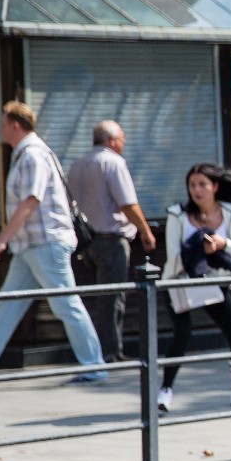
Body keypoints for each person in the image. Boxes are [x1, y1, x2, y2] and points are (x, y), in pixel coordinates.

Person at [0, 102, 107, 384]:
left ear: (15, 125)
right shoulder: (29, 153)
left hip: (44, 242)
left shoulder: (32, 155)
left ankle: (95, 365)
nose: (0, 128)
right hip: (32, 244)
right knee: (8, 305)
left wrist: (1, 241)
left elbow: (31, 200)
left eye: (3, 123)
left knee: (66, 304)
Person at [158, 164, 231, 412]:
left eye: (202, 184)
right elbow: (173, 256)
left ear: (215, 187)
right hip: (180, 283)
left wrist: (223, 244)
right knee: (182, 334)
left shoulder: (229, 213)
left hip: (214, 285)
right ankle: (165, 391)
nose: (197, 190)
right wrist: (198, 248)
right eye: (192, 185)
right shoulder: (178, 215)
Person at [66, 119, 157, 364]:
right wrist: (145, 231)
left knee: (96, 297)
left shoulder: (77, 165)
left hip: (85, 242)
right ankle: (110, 351)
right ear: (113, 141)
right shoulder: (113, 163)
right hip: (111, 239)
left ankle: (98, 349)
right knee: (112, 298)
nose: (123, 145)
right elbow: (127, 203)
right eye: (122, 140)